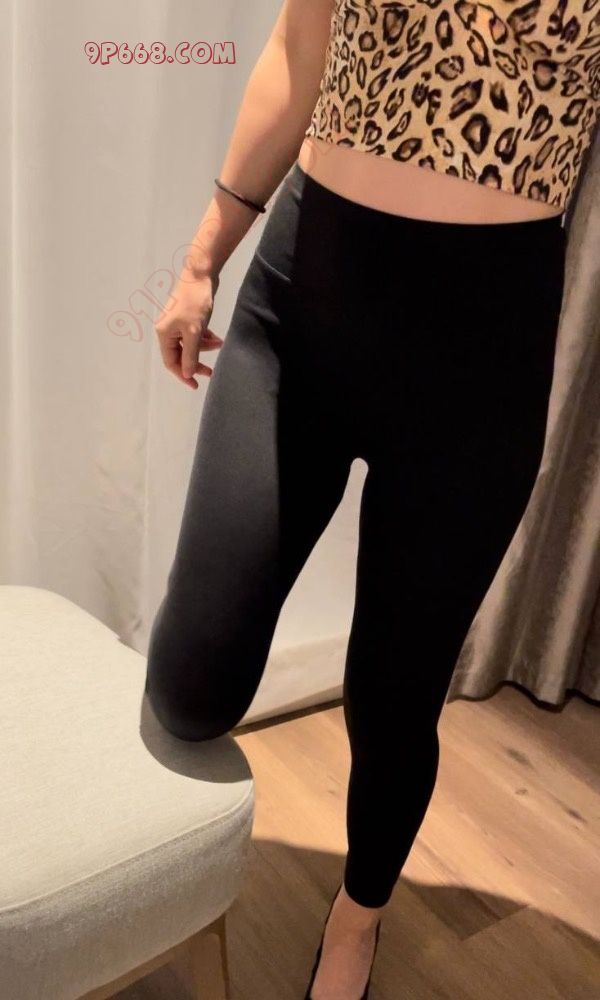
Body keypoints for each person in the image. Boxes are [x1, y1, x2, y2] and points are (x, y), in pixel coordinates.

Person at [145, 1, 600, 997]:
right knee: (191, 684)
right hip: (302, 305)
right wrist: (202, 258)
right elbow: (297, 49)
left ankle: (358, 918)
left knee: (394, 695)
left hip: (480, 358)